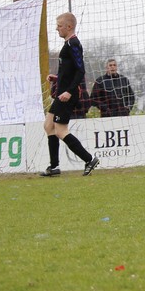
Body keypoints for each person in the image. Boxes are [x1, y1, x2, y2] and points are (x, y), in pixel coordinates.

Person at [39, 12, 99, 176]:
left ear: (69, 26)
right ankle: (54, 167)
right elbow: (69, 71)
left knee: (60, 130)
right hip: (61, 93)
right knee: (48, 126)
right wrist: (57, 78)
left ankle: (89, 159)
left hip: (67, 95)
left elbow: (80, 71)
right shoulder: (68, 44)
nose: (56, 28)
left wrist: (68, 91)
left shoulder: (74, 43)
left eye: (59, 26)